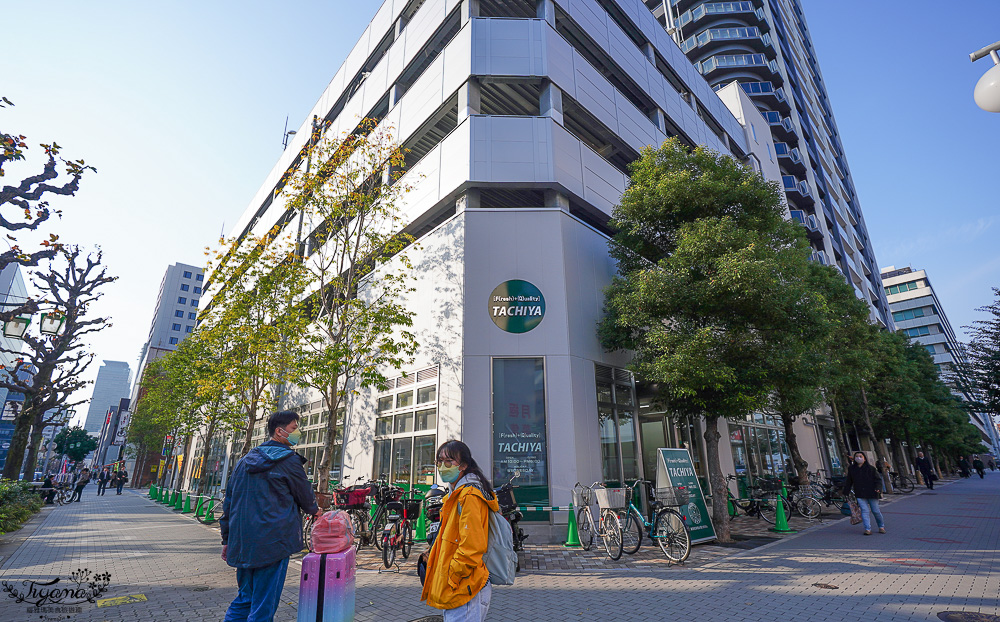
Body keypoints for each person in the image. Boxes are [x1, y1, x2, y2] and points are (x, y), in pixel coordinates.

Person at [220, 411, 320, 622]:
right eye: (294, 429)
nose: (297, 433)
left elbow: (229, 503)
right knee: (264, 604)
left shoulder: (244, 461)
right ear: (279, 431)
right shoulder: (289, 461)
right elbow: (305, 496)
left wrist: (227, 540)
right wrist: (315, 511)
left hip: (243, 542)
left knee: (245, 598)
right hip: (273, 542)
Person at [420, 439, 499, 622]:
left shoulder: (469, 496)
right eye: (439, 461)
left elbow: (472, 547)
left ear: (463, 465)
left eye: (449, 462)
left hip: (465, 586)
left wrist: (452, 576)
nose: (442, 466)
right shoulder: (454, 495)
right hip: (459, 587)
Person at [842, 451, 885, 536]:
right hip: (860, 493)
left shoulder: (871, 468)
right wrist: (845, 492)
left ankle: (881, 526)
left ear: (864, 458)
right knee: (864, 511)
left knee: (875, 511)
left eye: (860, 456)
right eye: (857, 456)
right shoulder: (852, 469)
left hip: (872, 492)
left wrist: (878, 488)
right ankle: (867, 529)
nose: (858, 458)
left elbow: (878, 480)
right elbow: (849, 481)